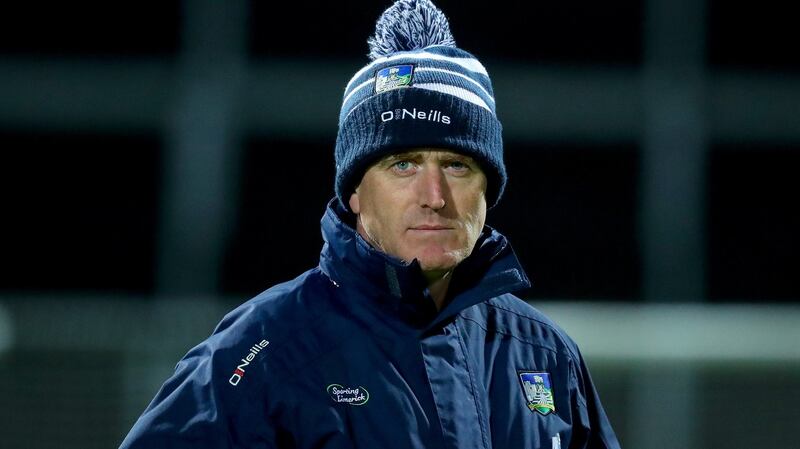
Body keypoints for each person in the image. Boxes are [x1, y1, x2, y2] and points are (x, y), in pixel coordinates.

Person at [119, 1, 621, 448]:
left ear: (488, 188)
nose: (434, 197)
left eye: (457, 166)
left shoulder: (544, 354)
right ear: (355, 192)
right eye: (403, 165)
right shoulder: (264, 348)